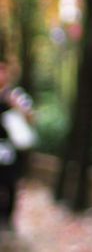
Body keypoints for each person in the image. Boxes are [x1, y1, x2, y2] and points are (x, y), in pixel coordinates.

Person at [0, 60, 33, 239]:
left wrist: (16, 106)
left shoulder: (15, 95)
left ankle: (7, 219)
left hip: (9, 149)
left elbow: (31, 117)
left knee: (10, 184)